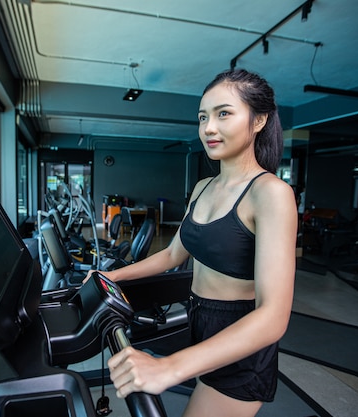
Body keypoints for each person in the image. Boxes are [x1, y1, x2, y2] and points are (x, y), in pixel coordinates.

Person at [87, 68, 297, 417]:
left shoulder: (270, 194)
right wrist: (111, 277)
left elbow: (273, 316)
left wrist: (169, 368)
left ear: (259, 120)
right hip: (199, 323)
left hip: (241, 340)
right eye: (203, 117)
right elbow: (172, 253)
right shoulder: (203, 188)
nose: (208, 128)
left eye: (223, 114)